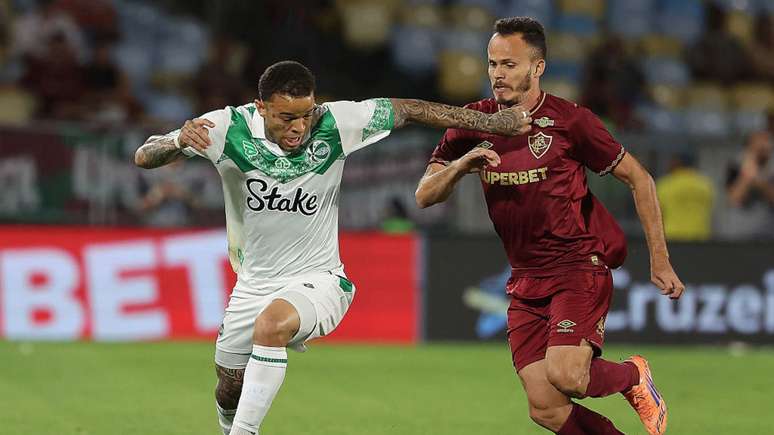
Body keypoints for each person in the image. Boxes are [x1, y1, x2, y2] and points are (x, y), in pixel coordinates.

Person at [134, 60, 531, 435]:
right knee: (228, 385)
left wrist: (491, 122)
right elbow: (144, 154)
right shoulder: (225, 127)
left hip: (319, 280)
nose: (299, 127)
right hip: (252, 284)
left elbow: (409, 108)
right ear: (260, 107)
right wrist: (175, 143)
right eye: (286, 117)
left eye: (305, 114)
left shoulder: (336, 123)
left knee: (271, 327)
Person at [416, 17, 684, 435]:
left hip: (577, 267)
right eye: (491, 64)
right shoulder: (474, 122)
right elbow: (425, 195)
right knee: (546, 408)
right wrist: (462, 164)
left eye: (509, 64)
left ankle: (632, 376)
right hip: (525, 279)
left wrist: (660, 260)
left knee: (566, 375)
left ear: (537, 68)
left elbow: (641, 179)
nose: (497, 74)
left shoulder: (570, 121)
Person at [723, 129, 774, 239]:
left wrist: (759, 181)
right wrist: (748, 175)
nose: (763, 148)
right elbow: (734, 199)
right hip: (740, 234)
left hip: (768, 235)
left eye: (767, 144)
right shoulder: (735, 166)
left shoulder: (771, 169)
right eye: (759, 145)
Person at [656, 153, 715, 241]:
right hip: (701, 238)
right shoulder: (706, 185)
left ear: (676, 162)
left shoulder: (665, 185)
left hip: (672, 237)